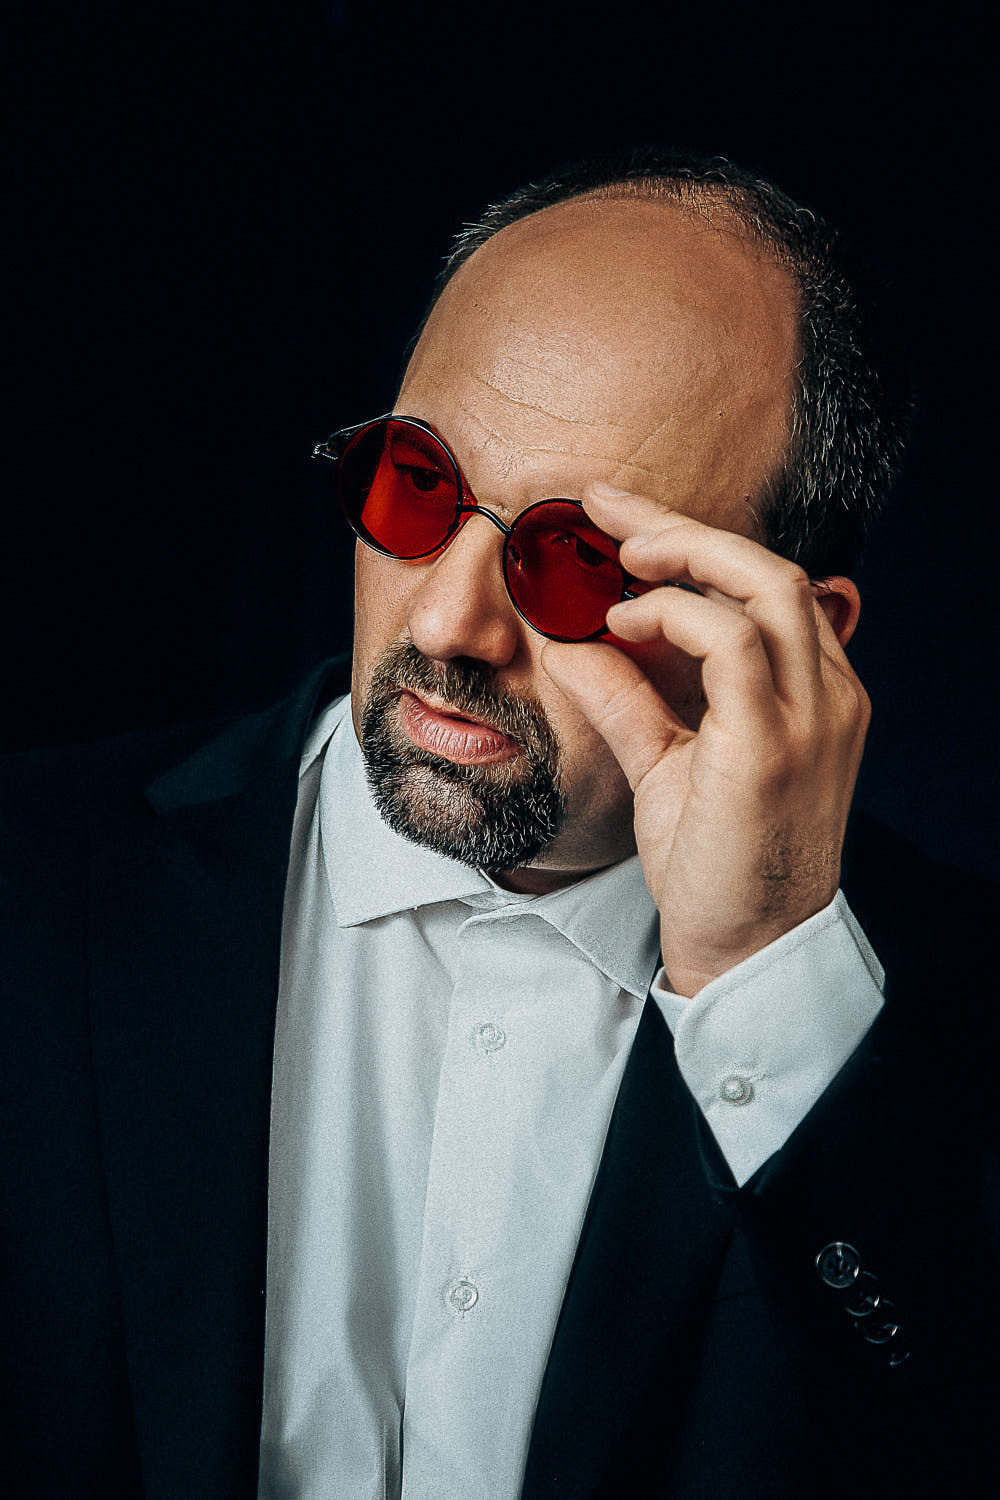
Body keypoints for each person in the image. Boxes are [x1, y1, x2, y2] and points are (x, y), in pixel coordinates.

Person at [2, 149, 995, 1499]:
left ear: (793, 639)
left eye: (576, 559)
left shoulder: (949, 1030)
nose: (447, 624)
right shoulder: (32, 877)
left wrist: (765, 978)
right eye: (417, 485)